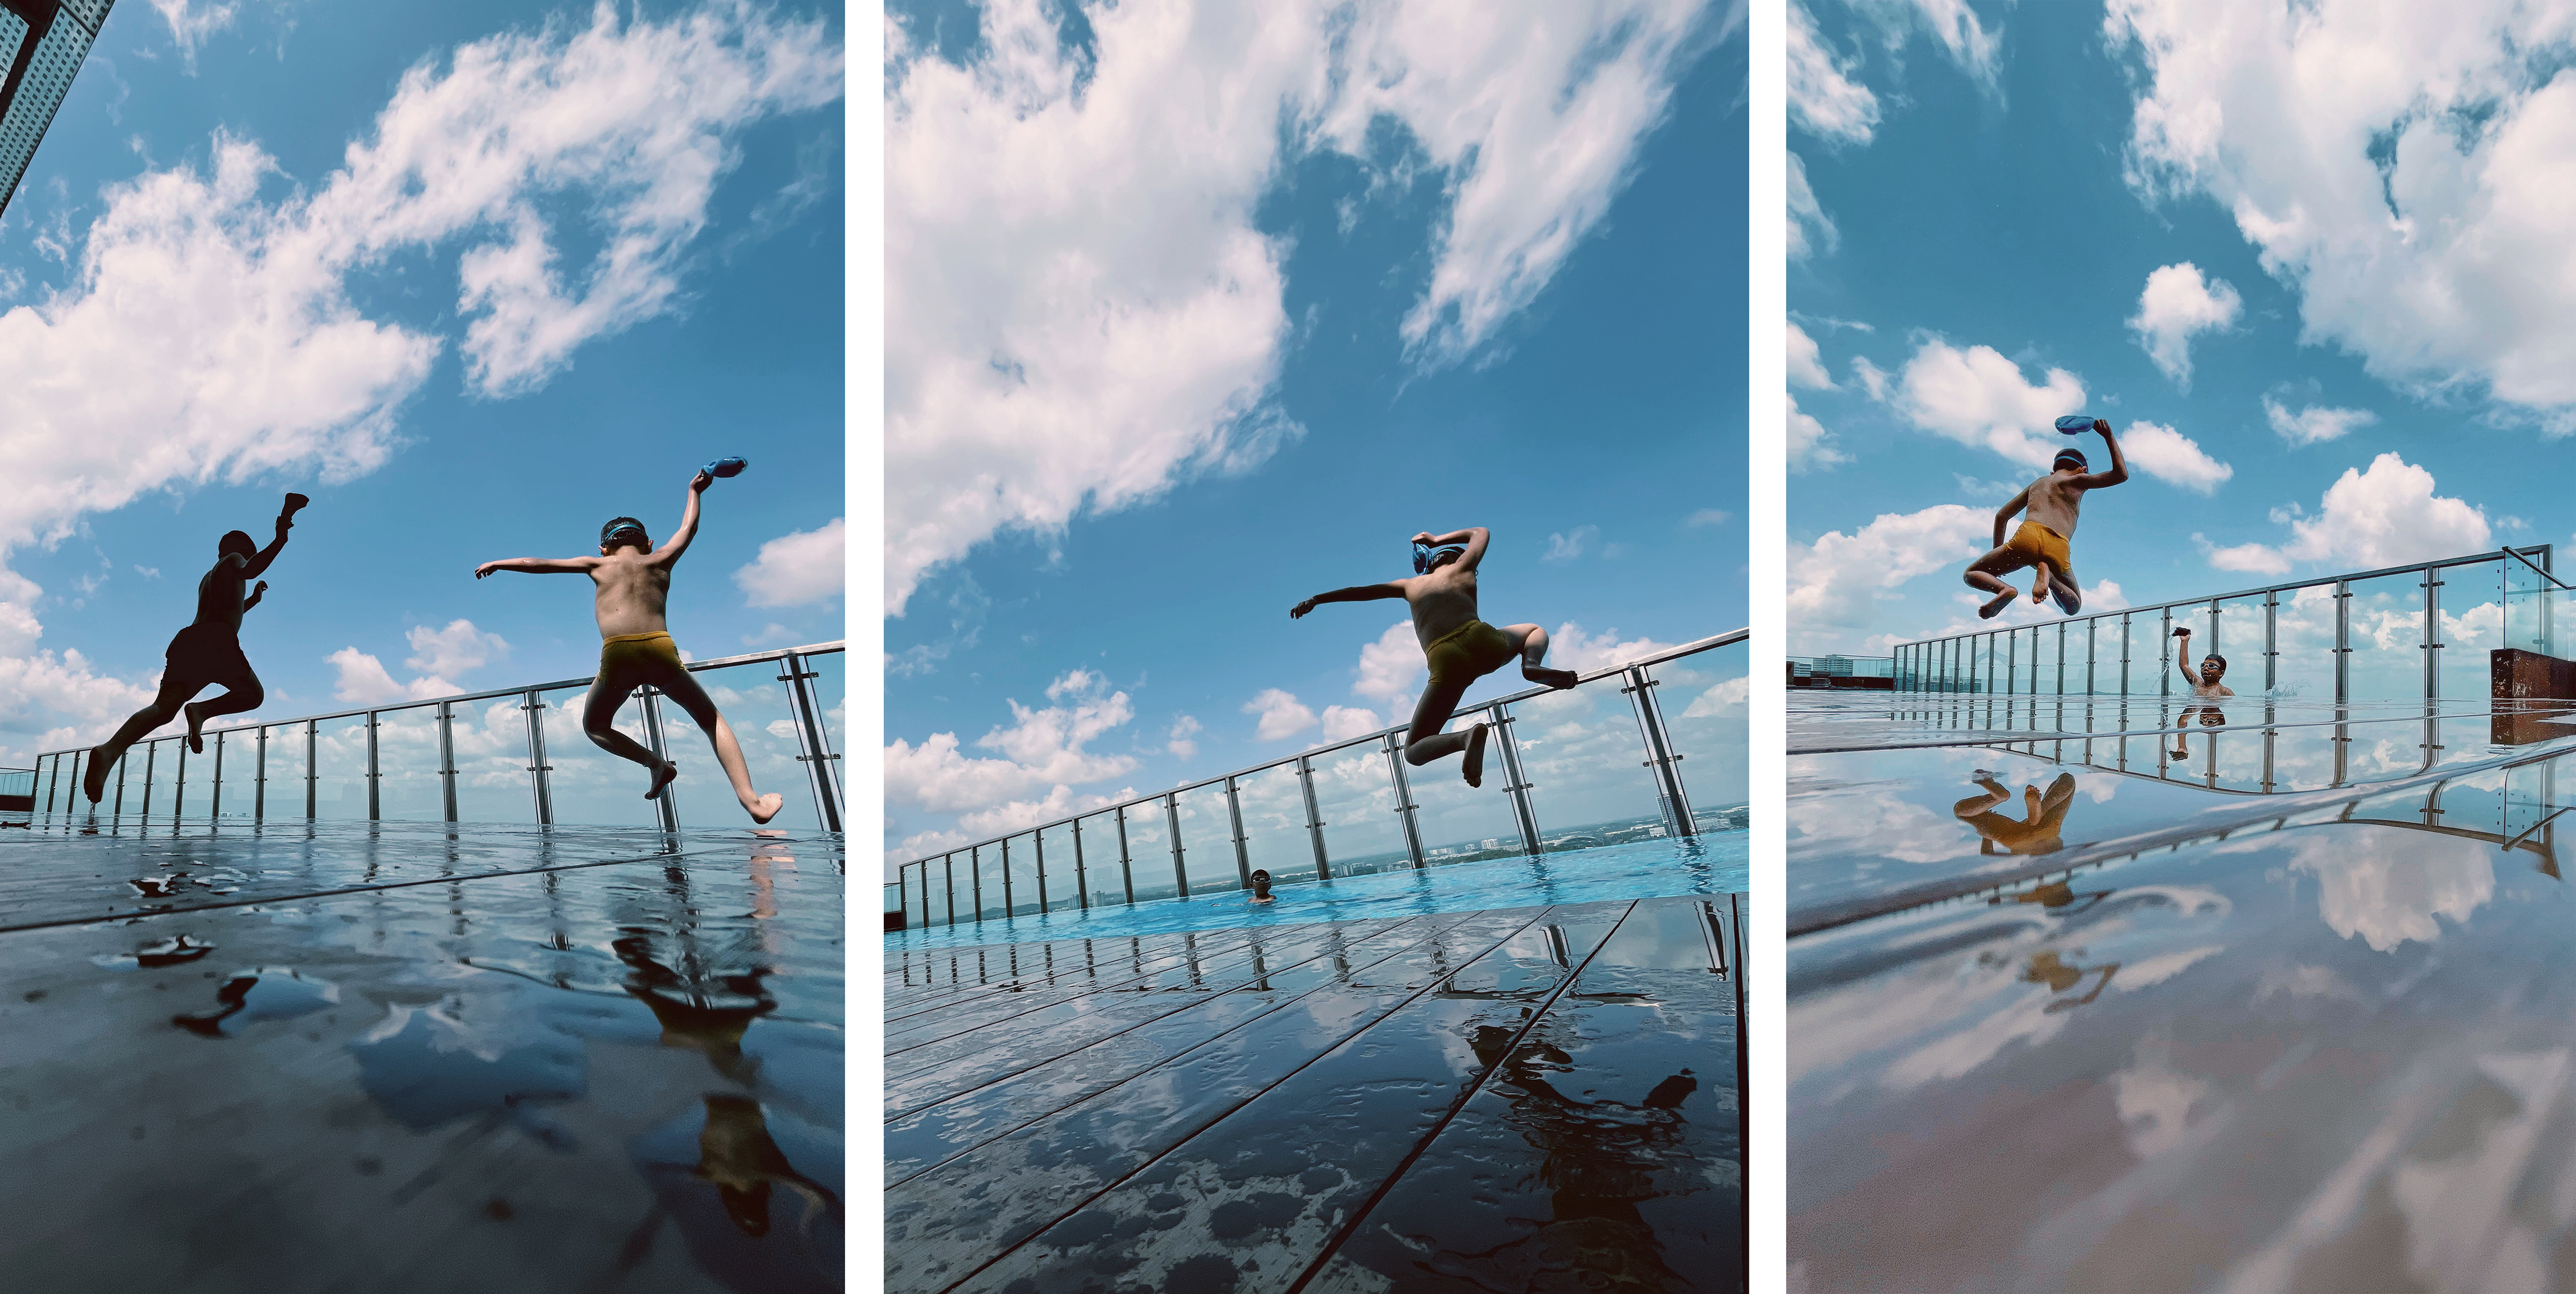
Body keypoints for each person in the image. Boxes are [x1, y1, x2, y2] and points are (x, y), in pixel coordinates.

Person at [475, 468, 784, 824]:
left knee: (596, 726)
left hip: (618, 652)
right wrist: (695, 491)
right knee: (710, 719)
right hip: (659, 648)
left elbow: (539, 564)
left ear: (604, 547)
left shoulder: (597, 564)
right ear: (648, 543)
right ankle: (753, 803)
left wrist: (498, 563)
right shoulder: (660, 558)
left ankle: (655, 763)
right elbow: (689, 529)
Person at [1290, 527, 1578, 787]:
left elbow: (1360, 592)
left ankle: (1463, 738)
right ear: (1458, 558)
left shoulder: (1410, 586)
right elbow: (1481, 532)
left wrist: (1317, 599)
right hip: (1483, 640)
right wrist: (1436, 538)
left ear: (1427, 565)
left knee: (1414, 750)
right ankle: (1531, 666)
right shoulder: (1465, 568)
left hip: (1445, 659)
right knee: (1533, 629)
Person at [84, 493, 305, 804]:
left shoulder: (208, 579)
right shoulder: (233, 561)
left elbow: (228, 609)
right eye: (248, 554)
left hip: (189, 641)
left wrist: (253, 600)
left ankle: (109, 751)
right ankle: (201, 711)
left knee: (162, 710)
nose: (248, 559)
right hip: (216, 642)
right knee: (253, 695)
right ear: (242, 550)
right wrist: (280, 537)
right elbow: (251, 569)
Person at [1963, 419, 2129, 619]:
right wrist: (2108, 436)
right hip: (2058, 545)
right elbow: (2121, 475)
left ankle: (2004, 590)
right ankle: (2049, 576)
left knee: (1971, 574)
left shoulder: (2038, 483)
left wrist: (1998, 553)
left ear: (2053, 471)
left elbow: (2002, 516)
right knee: (2073, 605)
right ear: (2083, 469)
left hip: (2027, 538)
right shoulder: (2078, 480)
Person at [1952, 770, 2079, 856]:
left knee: (2068, 780)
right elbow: (1987, 854)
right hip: (2041, 836)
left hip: (2032, 837)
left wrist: (1986, 833)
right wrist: (1986, 835)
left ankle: (2000, 797)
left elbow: (1987, 854)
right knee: (2067, 780)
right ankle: (2041, 809)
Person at [2170, 627, 2231, 760]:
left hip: (2199, 703)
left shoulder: (2224, 692)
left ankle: (2182, 749)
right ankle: (2183, 748)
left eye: (2211, 666)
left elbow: (2182, 722)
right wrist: (2185, 641)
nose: (2205, 668)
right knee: (2183, 718)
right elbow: (2184, 665)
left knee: (2183, 719)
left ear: (2221, 673)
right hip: (2197, 703)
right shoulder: (2197, 683)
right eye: (2203, 665)